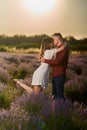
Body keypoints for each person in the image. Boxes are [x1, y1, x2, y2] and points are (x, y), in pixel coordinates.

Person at [41, 33, 69, 100]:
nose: (52, 42)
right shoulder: (58, 48)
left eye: (53, 39)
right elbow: (53, 61)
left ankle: (62, 109)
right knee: (55, 95)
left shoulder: (64, 49)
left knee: (59, 95)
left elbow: (58, 61)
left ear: (57, 39)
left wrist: (45, 60)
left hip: (59, 75)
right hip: (55, 75)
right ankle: (57, 109)